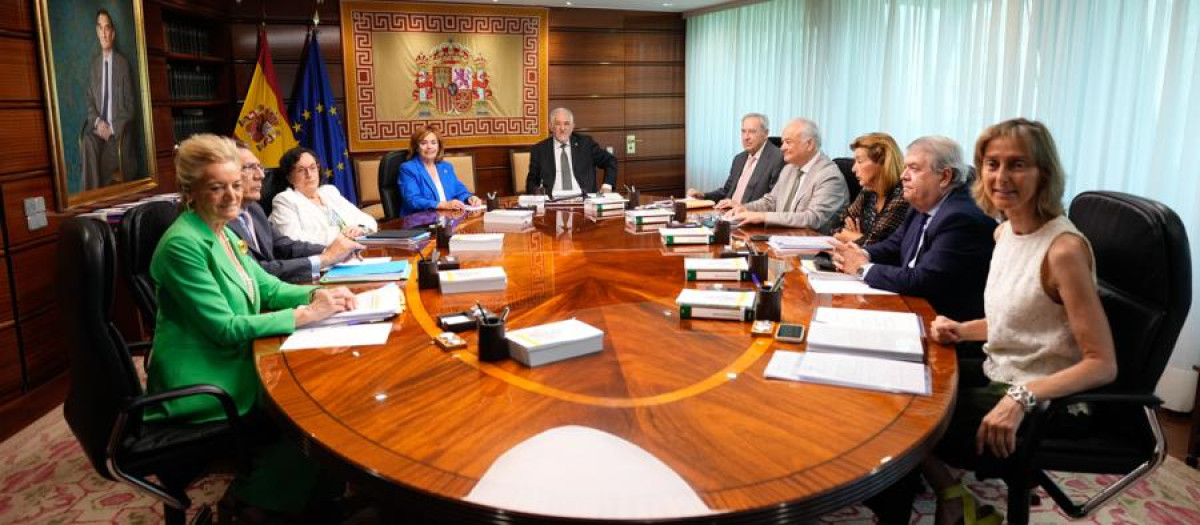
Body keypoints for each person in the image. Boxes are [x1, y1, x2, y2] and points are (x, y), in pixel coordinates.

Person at [144, 134, 358, 516]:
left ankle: (320, 498)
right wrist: (305, 316)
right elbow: (225, 328)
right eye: (217, 187)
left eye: (235, 185)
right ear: (190, 190)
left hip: (232, 358)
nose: (231, 196)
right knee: (313, 411)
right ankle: (254, 503)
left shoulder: (223, 232)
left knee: (331, 385)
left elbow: (268, 287)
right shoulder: (182, 244)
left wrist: (317, 295)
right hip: (205, 381)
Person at [920, 119, 1118, 524]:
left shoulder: (1063, 250)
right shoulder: (1005, 232)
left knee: (909, 421)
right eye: (992, 164)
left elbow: (1101, 363)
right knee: (899, 382)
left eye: (1017, 164)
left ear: (1043, 172)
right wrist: (962, 329)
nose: (1001, 176)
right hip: (1003, 367)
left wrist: (1021, 398)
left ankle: (952, 500)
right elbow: (1023, 323)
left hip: (1051, 400)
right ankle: (951, 493)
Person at [830, 136, 995, 323]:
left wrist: (862, 268)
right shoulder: (923, 203)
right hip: (913, 309)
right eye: (905, 167)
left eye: (914, 168)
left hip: (946, 327)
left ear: (945, 176)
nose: (903, 175)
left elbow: (923, 280)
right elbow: (894, 245)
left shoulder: (960, 217)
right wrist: (861, 253)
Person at [230, 141, 362, 283]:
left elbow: (283, 245)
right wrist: (324, 259)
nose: (261, 175)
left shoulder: (253, 209)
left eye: (259, 167)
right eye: (249, 168)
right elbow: (256, 272)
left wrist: (332, 250)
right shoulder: (222, 221)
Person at [726, 118, 848, 233]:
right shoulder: (789, 168)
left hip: (813, 249)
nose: (782, 148)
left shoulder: (829, 177)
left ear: (809, 144)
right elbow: (771, 202)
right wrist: (745, 209)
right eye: (783, 142)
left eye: (788, 142)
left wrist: (763, 217)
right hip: (782, 238)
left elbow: (812, 218)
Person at [269, 147, 378, 245]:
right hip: (322, 258)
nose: (309, 174)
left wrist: (360, 229)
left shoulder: (329, 192)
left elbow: (368, 220)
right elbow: (292, 239)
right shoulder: (285, 200)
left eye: (312, 168)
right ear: (289, 177)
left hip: (353, 249)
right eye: (301, 170)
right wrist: (342, 235)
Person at [81, 9, 136, 191]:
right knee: (88, 142)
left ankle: (94, 202)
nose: (104, 33)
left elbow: (130, 107)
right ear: (97, 32)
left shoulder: (123, 64)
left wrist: (111, 128)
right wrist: (98, 123)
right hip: (98, 131)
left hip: (117, 134)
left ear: (113, 33)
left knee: (103, 163)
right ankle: (90, 199)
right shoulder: (93, 65)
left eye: (107, 28)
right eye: (100, 28)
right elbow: (89, 101)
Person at [686, 113, 784, 208]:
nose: (746, 137)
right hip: (727, 215)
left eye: (752, 132)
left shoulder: (777, 159)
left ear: (765, 133)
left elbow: (774, 202)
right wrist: (703, 196)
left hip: (749, 218)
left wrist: (740, 207)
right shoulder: (739, 158)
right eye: (743, 131)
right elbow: (727, 191)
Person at [831, 133, 910, 246]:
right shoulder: (868, 191)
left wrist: (854, 237)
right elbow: (835, 227)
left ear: (882, 162)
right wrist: (861, 238)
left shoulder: (902, 196)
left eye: (859, 161)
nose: (853, 169)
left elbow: (879, 245)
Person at [525, 107, 619, 196]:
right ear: (551, 126)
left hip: (584, 201)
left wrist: (607, 186)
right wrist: (538, 195)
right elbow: (531, 181)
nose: (562, 128)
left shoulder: (586, 144)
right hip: (552, 202)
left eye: (566, 124)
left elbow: (610, 161)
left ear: (573, 126)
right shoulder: (539, 149)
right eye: (558, 124)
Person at [398, 126, 483, 215]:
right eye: (423, 143)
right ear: (416, 147)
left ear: (439, 146)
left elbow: (460, 190)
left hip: (448, 218)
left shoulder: (446, 167)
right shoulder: (408, 169)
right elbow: (413, 201)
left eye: (433, 143)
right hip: (421, 222)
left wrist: (469, 198)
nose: (429, 147)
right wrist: (444, 205)